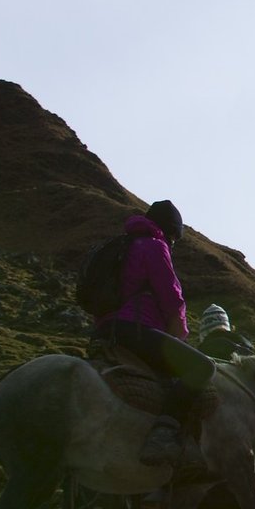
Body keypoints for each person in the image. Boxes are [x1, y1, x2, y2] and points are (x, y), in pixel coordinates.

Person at [93, 199, 216, 466]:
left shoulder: (123, 245)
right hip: (136, 327)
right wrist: (180, 336)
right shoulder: (155, 246)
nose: (173, 244)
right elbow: (173, 299)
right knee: (202, 368)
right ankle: (164, 433)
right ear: (171, 232)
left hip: (106, 328)